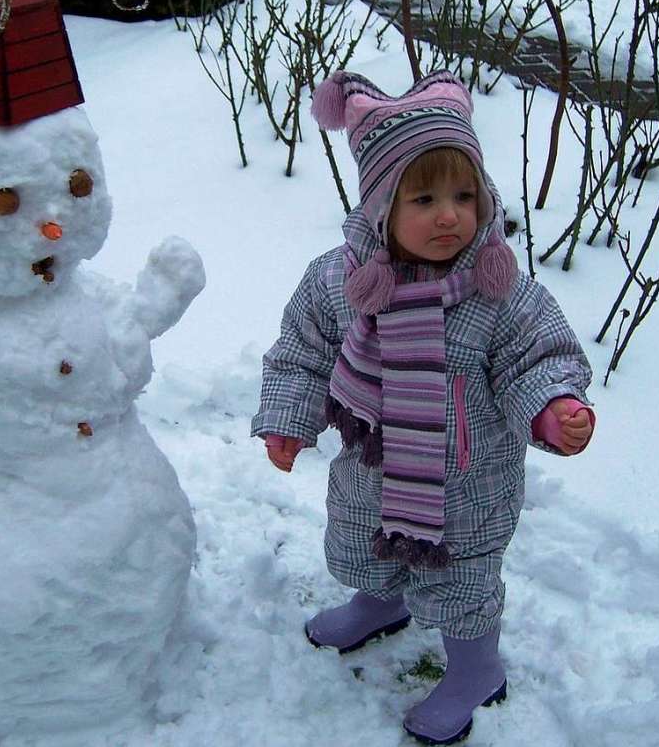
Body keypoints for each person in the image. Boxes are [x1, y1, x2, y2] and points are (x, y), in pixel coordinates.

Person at [251, 70, 595, 746]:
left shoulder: (498, 293)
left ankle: (475, 668)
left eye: (465, 196)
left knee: (461, 579)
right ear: (380, 206)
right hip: (369, 472)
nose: (449, 215)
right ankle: (378, 604)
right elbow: (300, 350)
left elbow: (539, 355)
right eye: (425, 197)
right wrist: (288, 419)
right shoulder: (338, 281)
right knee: (360, 544)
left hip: (466, 486)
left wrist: (553, 405)